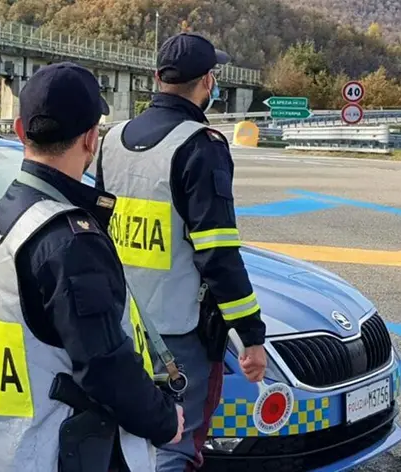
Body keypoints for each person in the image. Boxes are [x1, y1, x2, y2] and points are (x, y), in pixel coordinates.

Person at [0, 61, 184, 472]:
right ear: (91, 139)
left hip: (18, 445)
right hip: (75, 449)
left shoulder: (3, 218)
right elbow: (103, 365)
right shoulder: (69, 240)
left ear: (21, 132)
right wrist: (165, 421)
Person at [94, 33, 268, 472]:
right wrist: (251, 336)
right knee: (176, 446)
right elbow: (218, 256)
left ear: (157, 78)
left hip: (118, 327)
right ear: (208, 82)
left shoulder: (111, 140)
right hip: (178, 335)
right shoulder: (200, 146)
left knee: (126, 444)